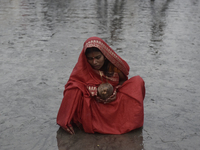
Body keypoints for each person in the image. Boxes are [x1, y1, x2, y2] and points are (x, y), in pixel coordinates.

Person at [57, 37, 145, 135]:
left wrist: (114, 92)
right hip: (96, 106)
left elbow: (123, 82)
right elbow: (72, 86)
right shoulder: (83, 69)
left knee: (137, 81)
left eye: (98, 57)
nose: (94, 62)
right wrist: (93, 91)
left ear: (105, 55)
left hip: (113, 101)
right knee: (74, 90)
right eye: (90, 59)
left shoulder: (113, 66)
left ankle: (127, 121)